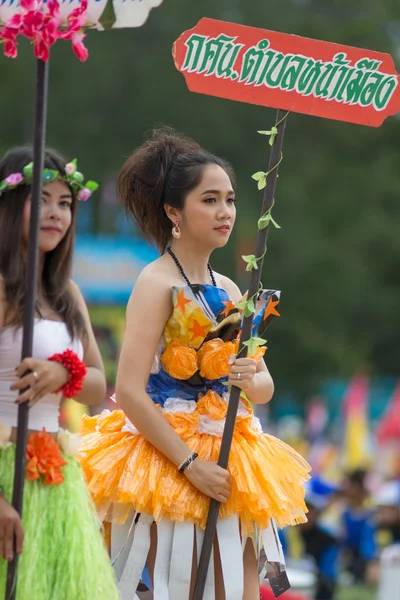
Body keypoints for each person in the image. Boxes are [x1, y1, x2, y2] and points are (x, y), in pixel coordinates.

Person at [79, 128, 311, 599]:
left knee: (242, 591)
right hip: (169, 460)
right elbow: (129, 390)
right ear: (173, 211)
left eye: (229, 199)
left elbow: (261, 387)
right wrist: (189, 466)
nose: (225, 212)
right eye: (210, 200)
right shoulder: (154, 281)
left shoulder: (230, 289)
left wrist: (252, 376)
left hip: (232, 453)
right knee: (181, 585)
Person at [0, 147, 119, 599]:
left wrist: (60, 372)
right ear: (10, 205)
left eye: (65, 203)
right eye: (42, 199)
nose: (56, 213)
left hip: (54, 477)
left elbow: (96, 385)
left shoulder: (66, 293)